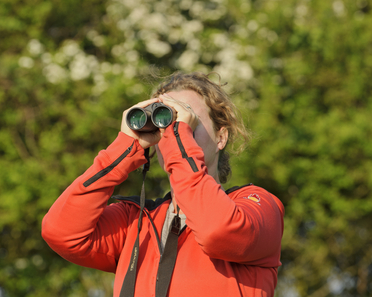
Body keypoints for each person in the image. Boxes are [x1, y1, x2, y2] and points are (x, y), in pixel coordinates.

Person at [42, 72, 284, 297]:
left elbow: (217, 232)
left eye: (190, 122)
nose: (172, 131)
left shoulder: (257, 206)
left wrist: (178, 136)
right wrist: (124, 148)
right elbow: (62, 233)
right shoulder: (136, 223)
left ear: (221, 137)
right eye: (165, 122)